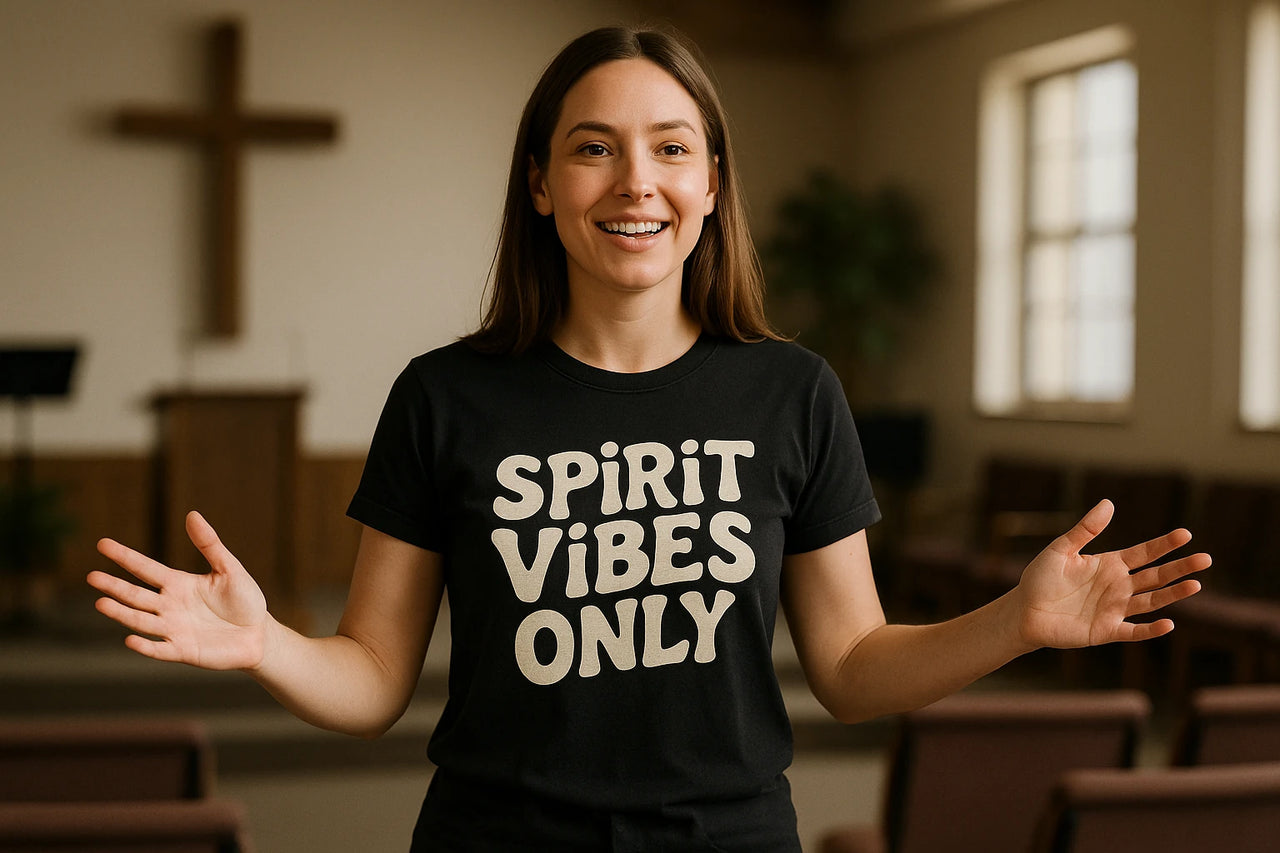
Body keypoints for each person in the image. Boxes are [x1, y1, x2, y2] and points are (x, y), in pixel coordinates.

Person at [87, 24, 1209, 853]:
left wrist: (1011, 621)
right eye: (592, 149)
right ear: (538, 182)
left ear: (711, 183)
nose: (636, 181)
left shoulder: (792, 392)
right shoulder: (445, 398)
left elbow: (852, 670)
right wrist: (266, 642)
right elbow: (376, 678)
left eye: (671, 149)